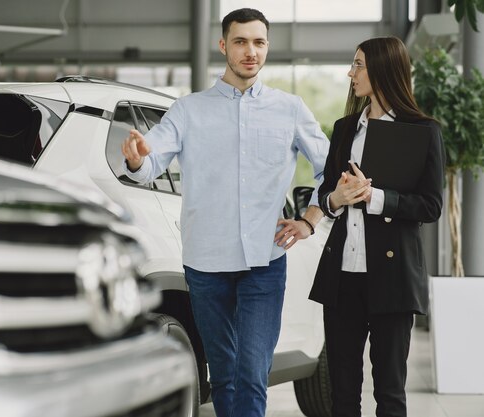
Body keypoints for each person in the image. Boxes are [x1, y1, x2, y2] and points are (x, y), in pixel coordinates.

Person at [121, 8, 329, 417]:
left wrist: (309, 220)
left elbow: (330, 167)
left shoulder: (290, 109)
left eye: (259, 42)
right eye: (240, 42)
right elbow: (150, 163)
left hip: (264, 262)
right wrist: (134, 159)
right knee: (223, 376)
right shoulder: (188, 110)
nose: (250, 52)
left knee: (252, 372)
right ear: (223, 46)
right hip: (205, 263)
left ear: (267, 47)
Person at [309, 37, 445, 417]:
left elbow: (431, 205)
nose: (350, 73)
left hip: (393, 278)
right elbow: (325, 196)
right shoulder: (344, 128)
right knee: (342, 393)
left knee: (389, 394)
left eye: (358, 65)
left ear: (383, 69)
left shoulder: (423, 131)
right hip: (342, 278)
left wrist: (376, 198)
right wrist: (336, 198)